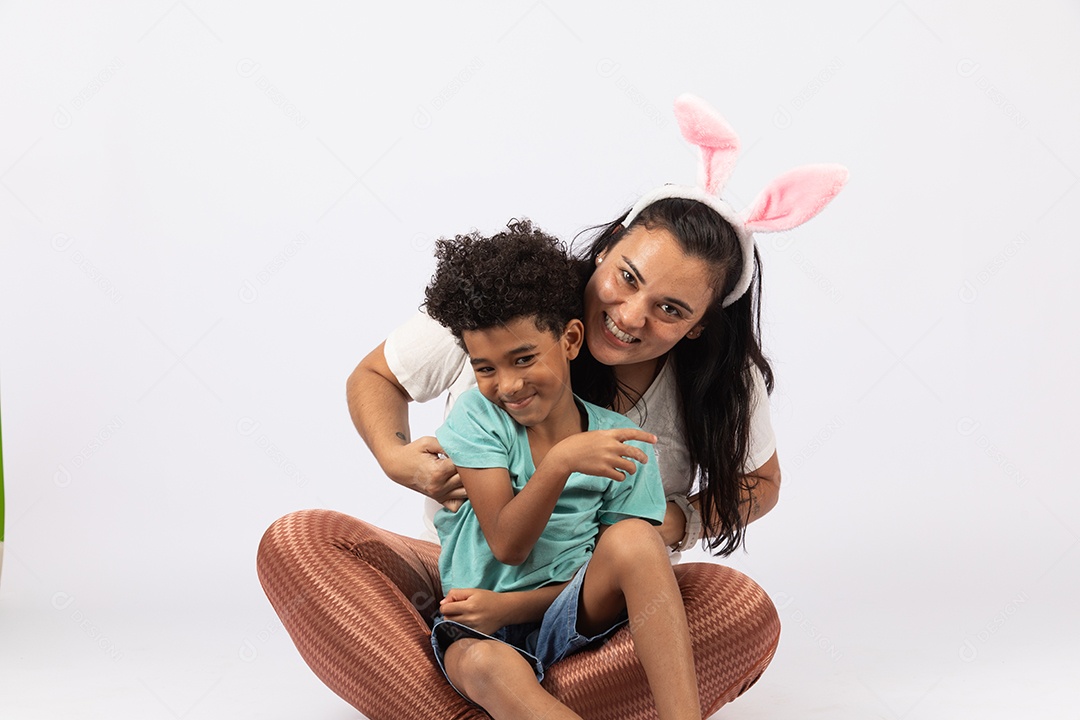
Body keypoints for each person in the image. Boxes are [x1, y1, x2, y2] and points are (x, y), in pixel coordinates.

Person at [257, 94, 846, 718]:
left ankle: (475, 702)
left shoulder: (709, 390)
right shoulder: (510, 307)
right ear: (609, 246)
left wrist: (674, 523)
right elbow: (378, 375)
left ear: (699, 324)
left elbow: (760, 483)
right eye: (628, 277)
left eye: (671, 310)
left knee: (740, 608)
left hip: (598, 607)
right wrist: (395, 455)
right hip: (460, 583)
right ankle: (505, 696)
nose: (630, 317)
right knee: (301, 541)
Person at [422, 222, 700, 719]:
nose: (508, 384)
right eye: (486, 368)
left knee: (638, 540)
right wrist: (561, 462)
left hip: (573, 614)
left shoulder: (619, 441)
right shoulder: (477, 419)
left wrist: (510, 607)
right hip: (480, 629)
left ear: (570, 340)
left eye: (524, 358)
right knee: (481, 664)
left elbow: (617, 574)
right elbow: (508, 544)